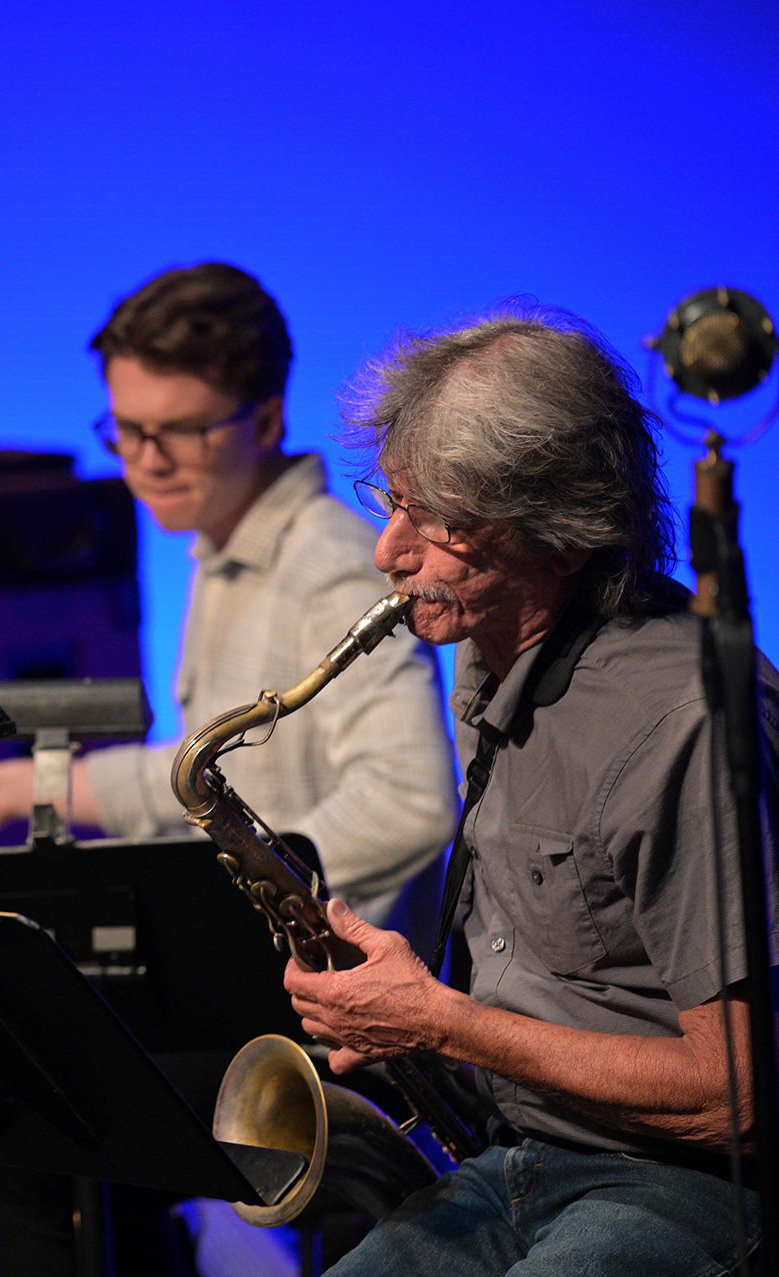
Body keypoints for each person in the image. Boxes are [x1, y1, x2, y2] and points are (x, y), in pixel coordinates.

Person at [287, 306, 775, 1275]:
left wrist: (441, 1019)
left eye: (439, 522)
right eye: (392, 501)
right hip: (514, 1157)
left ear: (560, 536)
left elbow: (739, 1091)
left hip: (687, 1179)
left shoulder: (680, 718)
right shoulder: (493, 649)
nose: (388, 553)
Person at [0, 262, 457, 926]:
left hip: (325, 1016)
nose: (148, 461)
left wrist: (205, 901)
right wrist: (29, 788)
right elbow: (212, 776)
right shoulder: (222, 547)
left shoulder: (331, 566)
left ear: (268, 419)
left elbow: (409, 800)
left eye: (182, 431)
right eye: (128, 430)